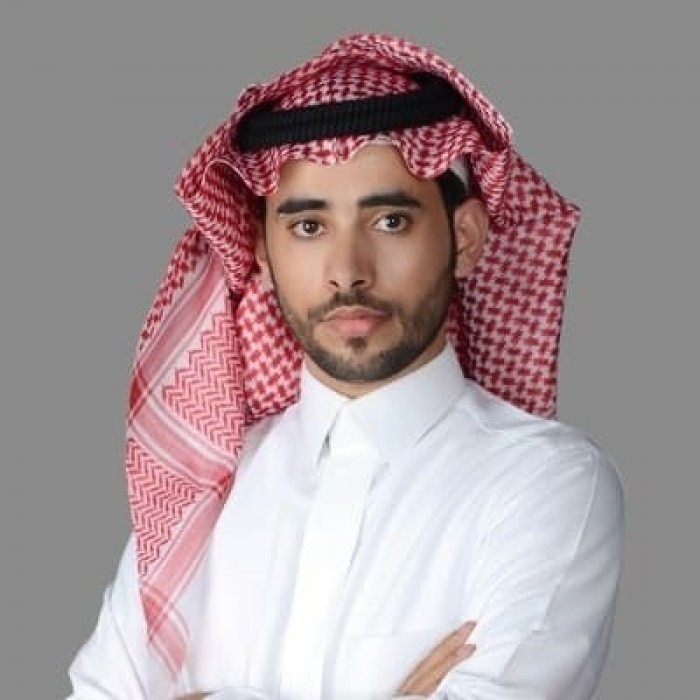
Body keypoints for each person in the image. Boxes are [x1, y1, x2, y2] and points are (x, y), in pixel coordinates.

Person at [68, 32, 624, 699]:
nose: (347, 271)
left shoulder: (541, 482)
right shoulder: (202, 487)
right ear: (263, 255)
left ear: (466, 238)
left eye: (389, 221)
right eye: (308, 227)